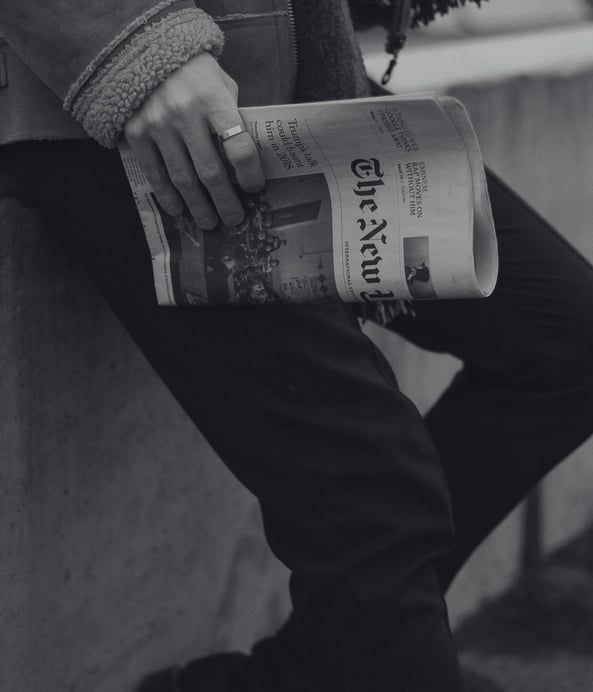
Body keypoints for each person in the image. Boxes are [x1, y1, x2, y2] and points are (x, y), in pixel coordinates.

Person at [1, 1, 592, 691]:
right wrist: (133, 52)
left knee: (564, 345)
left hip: (300, 76)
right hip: (154, 109)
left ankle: (326, 669)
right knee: (373, 493)